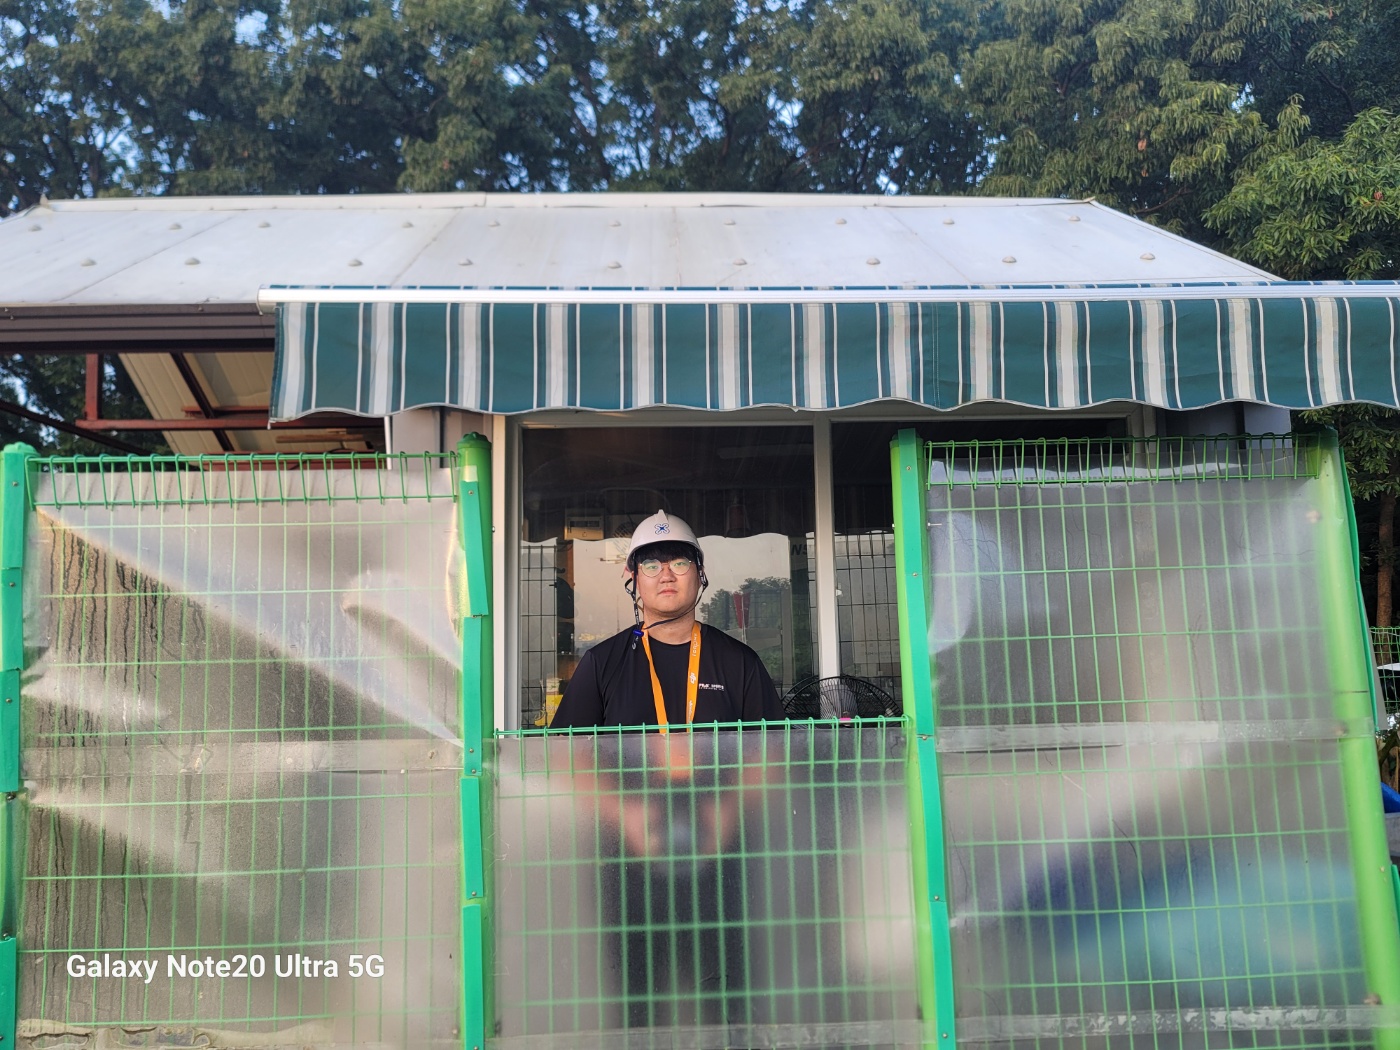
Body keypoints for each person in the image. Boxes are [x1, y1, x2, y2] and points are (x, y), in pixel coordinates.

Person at [550, 509, 784, 728]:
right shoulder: (601, 663)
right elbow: (567, 751)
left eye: (679, 563)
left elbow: (772, 750)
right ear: (635, 579)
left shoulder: (740, 662)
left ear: (700, 575)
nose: (666, 576)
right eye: (651, 566)